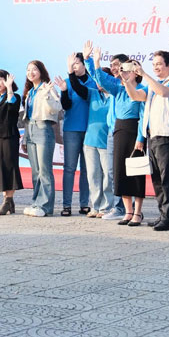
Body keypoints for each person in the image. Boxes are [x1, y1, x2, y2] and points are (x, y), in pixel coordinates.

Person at [88, 43, 146, 227]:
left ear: (135, 72)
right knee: (119, 172)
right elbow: (102, 81)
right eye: (122, 70)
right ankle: (127, 212)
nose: (123, 72)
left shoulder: (142, 89)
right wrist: (95, 62)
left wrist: (140, 138)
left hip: (134, 130)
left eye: (127, 70)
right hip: (119, 130)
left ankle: (137, 212)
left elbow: (144, 116)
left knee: (136, 171)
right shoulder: (118, 89)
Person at [126, 51, 169, 232]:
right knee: (157, 179)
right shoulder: (152, 86)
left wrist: (145, 75)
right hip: (152, 136)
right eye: (154, 64)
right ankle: (162, 215)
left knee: (167, 178)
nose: (156, 67)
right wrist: (126, 80)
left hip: (166, 136)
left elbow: (164, 93)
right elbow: (135, 96)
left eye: (159, 64)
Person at [53, 52, 95, 216]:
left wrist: (71, 76)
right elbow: (67, 106)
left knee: (86, 169)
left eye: (76, 63)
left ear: (85, 65)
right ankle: (66, 204)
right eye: (72, 63)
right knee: (69, 168)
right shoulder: (67, 82)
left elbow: (84, 93)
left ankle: (84, 203)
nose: (73, 66)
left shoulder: (92, 82)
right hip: (71, 129)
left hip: (89, 129)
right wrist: (63, 91)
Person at [22, 60, 61, 217]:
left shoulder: (47, 88)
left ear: (41, 71)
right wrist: (25, 137)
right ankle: (36, 202)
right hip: (30, 128)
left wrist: (47, 96)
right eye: (28, 69)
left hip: (43, 128)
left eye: (34, 70)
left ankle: (45, 206)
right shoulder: (29, 91)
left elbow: (56, 108)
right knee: (35, 171)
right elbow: (27, 116)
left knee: (44, 170)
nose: (31, 72)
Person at [82, 64, 116, 218]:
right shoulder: (93, 93)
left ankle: (107, 206)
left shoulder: (115, 96)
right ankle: (95, 206)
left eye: (101, 79)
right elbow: (78, 87)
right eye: (96, 80)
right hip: (90, 141)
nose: (99, 83)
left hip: (106, 142)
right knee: (93, 175)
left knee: (108, 176)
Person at [0, 70, 23, 215]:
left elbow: (10, 110)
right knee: (0, 168)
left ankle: (8, 200)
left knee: (9, 167)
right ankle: (9, 202)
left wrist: (9, 88)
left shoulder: (14, 96)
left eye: (0, 80)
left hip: (8, 137)